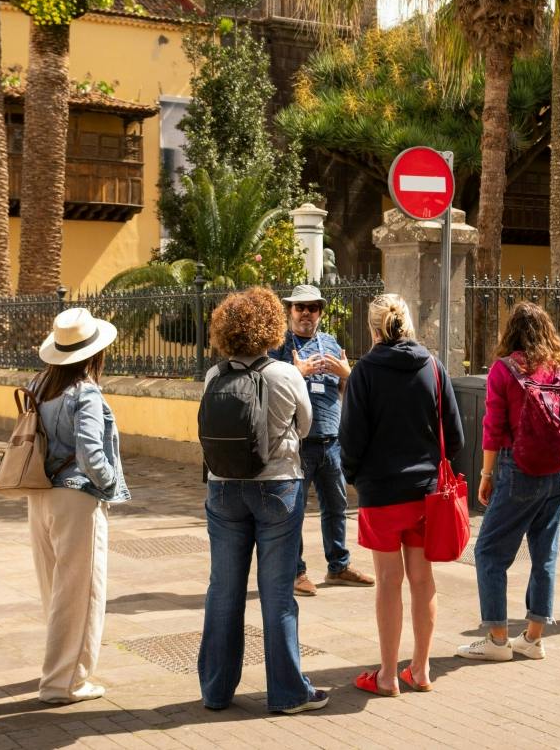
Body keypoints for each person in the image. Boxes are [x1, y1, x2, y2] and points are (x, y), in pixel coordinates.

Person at [196, 287, 328, 716]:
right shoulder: (285, 375)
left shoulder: (215, 377)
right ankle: (288, 693)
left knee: (223, 590)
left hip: (222, 488)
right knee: (277, 595)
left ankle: (216, 690)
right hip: (277, 488)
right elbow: (306, 426)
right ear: (271, 326)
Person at [459, 301, 560, 662]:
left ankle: (497, 641)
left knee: (490, 553)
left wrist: (486, 474)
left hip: (519, 470)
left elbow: (493, 429)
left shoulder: (504, 370)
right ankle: (533, 638)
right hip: (557, 474)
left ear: (510, 332)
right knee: (545, 555)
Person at [338, 293, 464, 697]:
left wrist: (356, 476)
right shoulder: (432, 366)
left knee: (388, 583)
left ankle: (388, 675)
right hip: (426, 493)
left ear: (374, 329)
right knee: (422, 580)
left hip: (381, 493)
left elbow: (351, 440)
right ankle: (421, 669)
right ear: (408, 324)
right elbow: (456, 436)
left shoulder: (364, 372)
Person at [24, 307, 130, 705]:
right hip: (75, 498)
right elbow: (89, 453)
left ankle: (58, 670)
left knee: (54, 588)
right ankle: (64, 682)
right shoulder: (84, 391)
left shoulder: (39, 384)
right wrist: (107, 485)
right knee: (80, 592)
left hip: (39, 494)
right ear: (94, 353)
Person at [271, 283, 372, 596]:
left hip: (331, 442)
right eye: (300, 307)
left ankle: (338, 565)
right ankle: (296, 572)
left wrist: (347, 373)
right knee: (294, 510)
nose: (306, 313)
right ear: (290, 311)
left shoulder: (329, 343)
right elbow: (269, 390)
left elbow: (347, 390)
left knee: (336, 506)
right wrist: (295, 372)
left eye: (312, 308)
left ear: (320, 313)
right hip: (296, 445)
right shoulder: (279, 347)